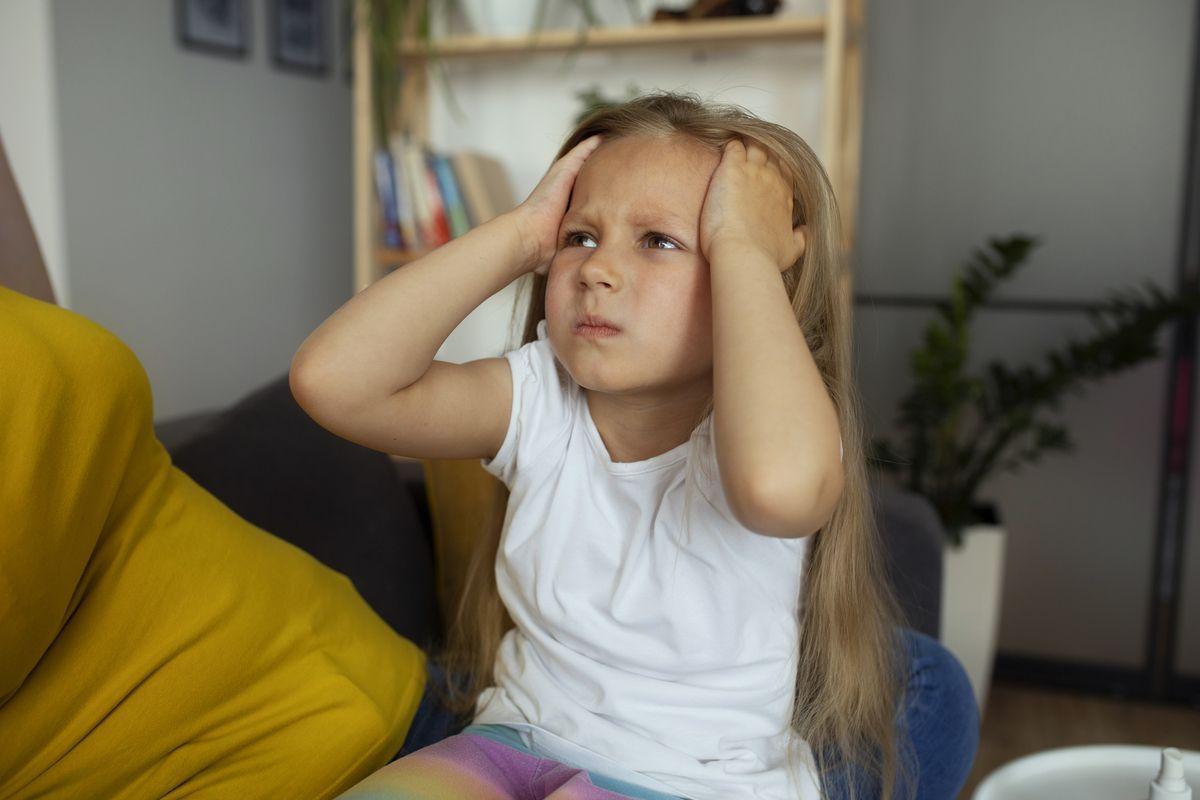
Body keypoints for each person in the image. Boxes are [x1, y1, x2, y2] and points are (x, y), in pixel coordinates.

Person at [290, 90, 979, 800]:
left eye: (659, 241)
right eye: (580, 236)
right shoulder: (538, 397)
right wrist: (522, 234)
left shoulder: (764, 424)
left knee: (933, 683)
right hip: (510, 743)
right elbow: (332, 382)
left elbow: (780, 490)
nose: (596, 269)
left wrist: (744, 247)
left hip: (684, 781)